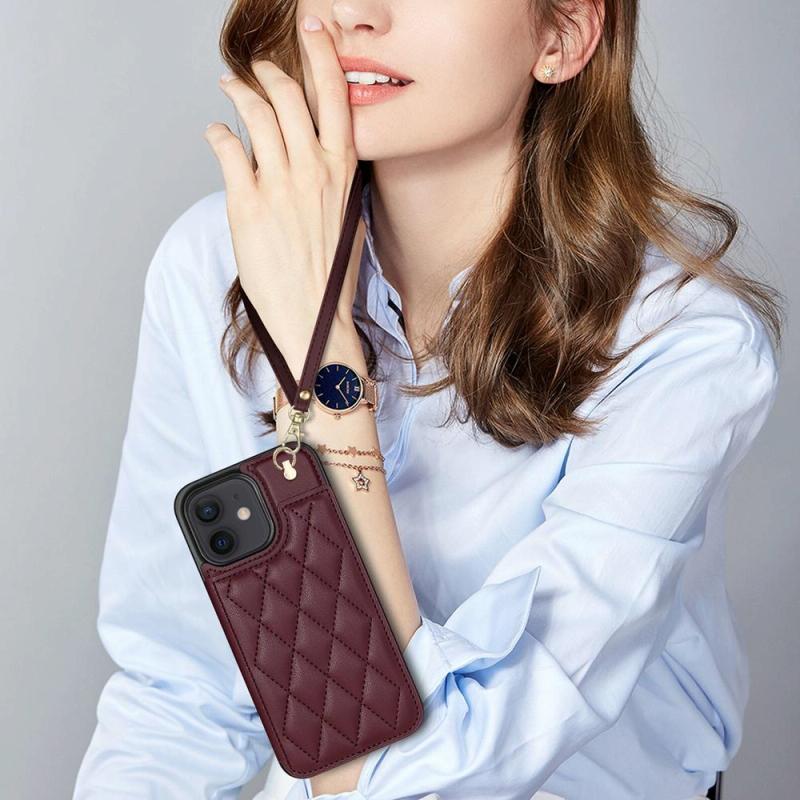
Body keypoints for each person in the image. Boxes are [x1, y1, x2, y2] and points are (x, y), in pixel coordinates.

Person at [73, 1, 785, 799]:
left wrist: (323, 360)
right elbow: (180, 694)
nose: (353, 12)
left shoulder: (682, 344)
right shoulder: (214, 260)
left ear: (563, 33)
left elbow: (440, 770)